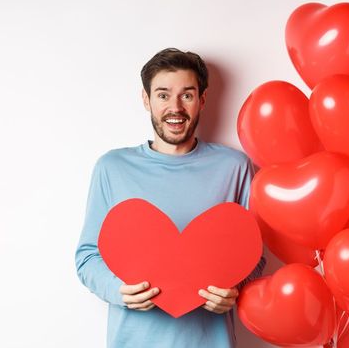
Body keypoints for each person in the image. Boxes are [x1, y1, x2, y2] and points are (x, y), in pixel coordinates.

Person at [74, 48, 266, 347]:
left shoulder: (234, 167)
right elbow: (87, 257)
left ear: (202, 100)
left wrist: (235, 289)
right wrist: (118, 290)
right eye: (163, 95)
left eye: (186, 95)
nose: (175, 107)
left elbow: (254, 256)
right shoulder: (112, 167)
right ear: (146, 99)